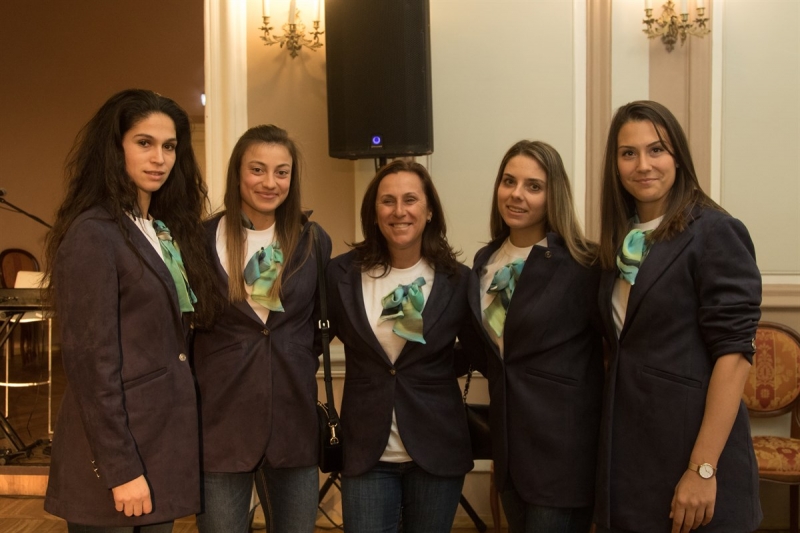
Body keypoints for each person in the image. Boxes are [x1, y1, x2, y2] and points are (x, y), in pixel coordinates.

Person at [43, 89, 221, 532]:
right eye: (144, 143)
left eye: (169, 146)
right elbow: (91, 365)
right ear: (114, 148)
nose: (159, 158)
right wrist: (120, 468)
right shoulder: (93, 233)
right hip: (116, 458)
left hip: (159, 445)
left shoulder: (160, 230)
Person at [594, 100, 762, 533]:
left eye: (657, 149)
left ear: (678, 157)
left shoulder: (715, 231)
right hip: (631, 458)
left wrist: (702, 469)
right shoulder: (620, 239)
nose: (643, 165)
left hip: (693, 452)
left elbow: (734, 356)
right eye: (628, 153)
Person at [192, 124, 331, 533]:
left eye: (281, 172)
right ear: (237, 173)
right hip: (220, 427)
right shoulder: (199, 240)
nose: (270, 183)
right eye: (257, 169)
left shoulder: (312, 241)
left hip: (293, 426)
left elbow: (318, 326)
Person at [327, 159, 477, 532]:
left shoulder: (458, 280)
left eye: (410, 199)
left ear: (429, 210)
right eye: (387, 201)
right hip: (366, 451)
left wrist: (431, 374)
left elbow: (477, 352)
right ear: (374, 211)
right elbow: (309, 341)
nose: (399, 211)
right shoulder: (340, 275)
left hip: (437, 449)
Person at [467, 140, 604, 532]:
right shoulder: (485, 261)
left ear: (553, 195)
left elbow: (613, 351)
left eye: (533, 186)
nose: (516, 194)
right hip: (509, 448)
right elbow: (493, 353)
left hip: (563, 452)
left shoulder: (583, 263)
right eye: (509, 181)